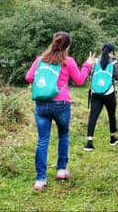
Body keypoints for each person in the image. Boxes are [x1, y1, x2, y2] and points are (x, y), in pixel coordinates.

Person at [25, 32, 95, 191]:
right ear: (68, 46)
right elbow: (79, 80)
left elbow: (29, 77)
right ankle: (61, 170)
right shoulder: (68, 61)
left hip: (41, 105)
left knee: (42, 141)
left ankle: (40, 180)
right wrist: (87, 65)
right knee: (63, 135)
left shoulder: (40, 60)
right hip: (61, 104)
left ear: (53, 42)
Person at [84, 44, 118, 152]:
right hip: (109, 93)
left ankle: (89, 142)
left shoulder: (95, 62)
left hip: (95, 92)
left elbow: (90, 74)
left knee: (93, 116)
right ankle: (113, 138)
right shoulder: (113, 62)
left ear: (102, 51)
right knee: (111, 115)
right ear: (111, 52)